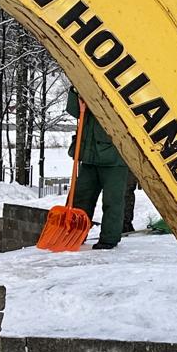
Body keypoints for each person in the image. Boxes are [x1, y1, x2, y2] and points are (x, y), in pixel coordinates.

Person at [65, 86, 131, 251]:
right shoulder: (87, 86)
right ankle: (75, 235)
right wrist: (75, 91)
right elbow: (74, 111)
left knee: (112, 201)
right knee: (80, 198)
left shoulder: (120, 91)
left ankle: (109, 239)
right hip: (89, 157)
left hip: (114, 159)